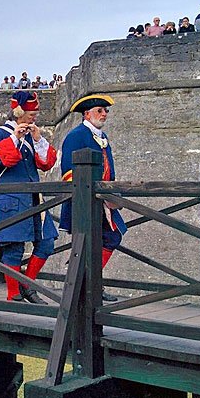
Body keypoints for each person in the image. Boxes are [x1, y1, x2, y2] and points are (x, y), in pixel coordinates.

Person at [0, 91, 58, 303]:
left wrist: (38, 139)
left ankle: (27, 284)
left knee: (46, 243)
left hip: (33, 198)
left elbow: (46, 163)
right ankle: (13, 294)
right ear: (19, 111)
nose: (35, 114)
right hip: (10, 199)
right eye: (31, 111)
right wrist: (14, 137)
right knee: (13, 249)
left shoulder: (32, 136)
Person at [60, 95, 127, 302]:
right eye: (100, 110)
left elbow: (109, 169)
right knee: (91, 241)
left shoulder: (102, 136)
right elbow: (68, 171)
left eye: (106, 111)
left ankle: (88, 281)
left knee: (111, 237)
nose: (104, 114)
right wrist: (89, 191)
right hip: (86, 198)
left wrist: (111, 192)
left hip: (102, 198)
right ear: (87, 114)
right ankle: (85, 283)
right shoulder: (77, 135)